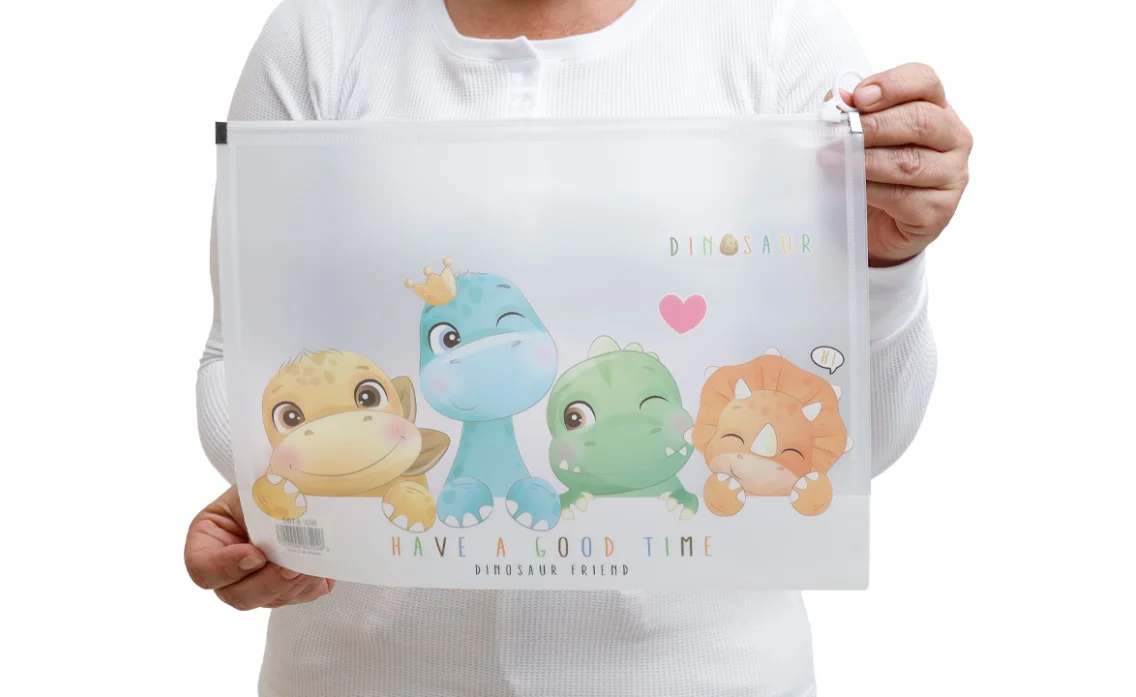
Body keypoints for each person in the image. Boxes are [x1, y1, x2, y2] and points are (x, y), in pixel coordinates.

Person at [184, 0, 972, 695]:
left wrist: (887, 267)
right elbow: (237, 363)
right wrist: (282, 491)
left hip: (702, 676)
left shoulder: (774, 33)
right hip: (358, 675)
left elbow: (854, 446)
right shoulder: (321, 33)